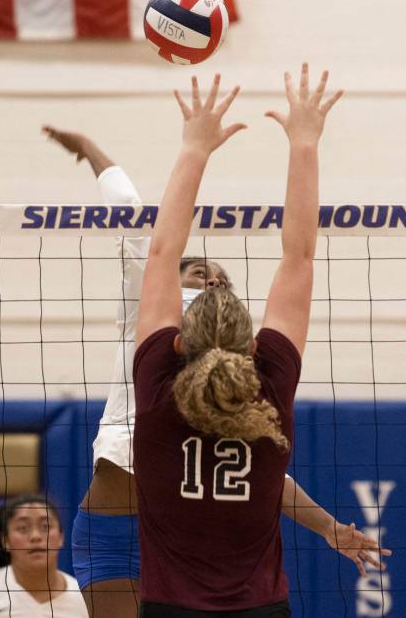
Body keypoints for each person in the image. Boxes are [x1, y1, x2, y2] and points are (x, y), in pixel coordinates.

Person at [42, 110, 390, 616]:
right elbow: (141, 228)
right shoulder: (151, 312)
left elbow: (256, 472)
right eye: (198, 270)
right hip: (121, 530)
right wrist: (93, 152)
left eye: (219, 277)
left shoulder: (201, 371)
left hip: (199, 535)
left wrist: (195, 146)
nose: (210, 279)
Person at [132, 66, 345, 616]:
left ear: (178, 343)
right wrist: (305, 142)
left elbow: (160, 254)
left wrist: (193, 148)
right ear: (253, 347)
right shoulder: (270, 387)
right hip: (259, 608)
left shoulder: (157, 392)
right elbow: (298, 254)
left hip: (169, 608)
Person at [0, 494, 88, 617]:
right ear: (5, 541)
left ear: (61, 537)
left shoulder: (86, 599)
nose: (36, 536)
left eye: (45, 527)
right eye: (23, 528)